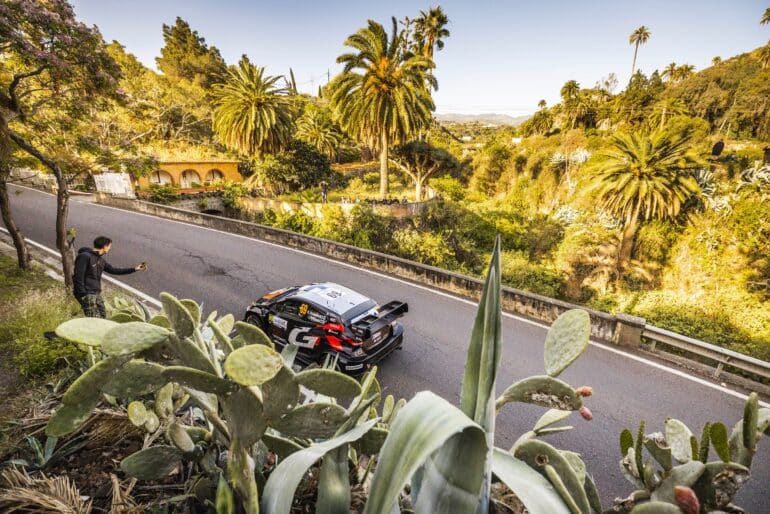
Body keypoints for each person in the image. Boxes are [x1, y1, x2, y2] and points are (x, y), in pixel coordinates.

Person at [73, 236, 147, 318]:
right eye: (109, 246)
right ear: (105, 246)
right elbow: (78, 276)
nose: (109, 248)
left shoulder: (101, 261)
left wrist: (135, 269)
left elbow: (114, 270)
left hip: (96, 293)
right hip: (87, 293)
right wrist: (83, 294)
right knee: (95, 320)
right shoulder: (84, 256)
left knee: (103, 317)